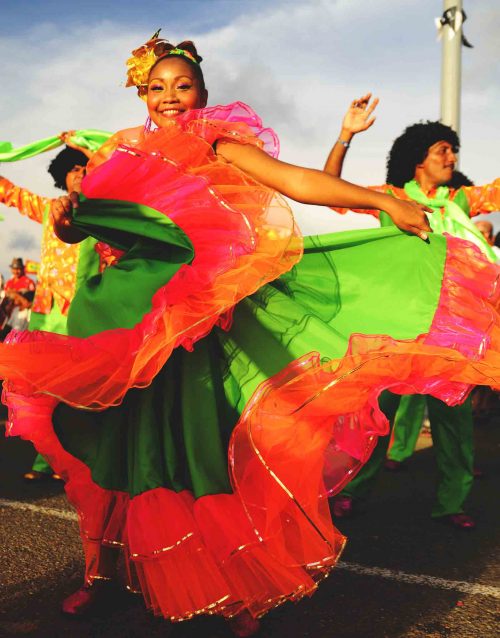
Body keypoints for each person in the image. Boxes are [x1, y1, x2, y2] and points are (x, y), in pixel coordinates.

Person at [1, 36, 499, 636]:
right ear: (141, 94)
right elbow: (95, 227)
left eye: (182, 85)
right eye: (157, 87)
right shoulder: (117, 152)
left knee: (207, 455)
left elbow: (295, 181)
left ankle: (241, 588)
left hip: (201, 327)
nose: (169, 97)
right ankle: (100, 575)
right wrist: (66, 218)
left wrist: (377, 200)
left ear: (202, 94)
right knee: (118, 455)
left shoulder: (214, 141)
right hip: (127, 328)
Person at [325, 103, 500, 529]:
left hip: (452, 324)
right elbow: (329, 188)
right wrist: (346, 134)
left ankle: (452, 500)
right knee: (377, 410)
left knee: (453, 416)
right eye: (444, 150)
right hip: (399, 320)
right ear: (419, 156)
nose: (452, 159)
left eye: (453, 151)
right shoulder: (390, 198)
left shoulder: (459, 199)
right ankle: (350, 491)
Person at [0, 147, 102, 481]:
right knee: (39, 391)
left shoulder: (107, 214)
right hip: (47, 312)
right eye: (74, 169)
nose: (81, 174)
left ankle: (79, 464)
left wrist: (92, 152)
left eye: (87, 168)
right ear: (63, 175)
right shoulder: (46, 209)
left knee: (81, 392)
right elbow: (11, 194)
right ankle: (46, 463)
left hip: (86, 314)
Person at [0, 258, 36, 339]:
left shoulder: (29, 282)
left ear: (22, 269)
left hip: (22, 315)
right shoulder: (9, 283)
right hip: (7, 316)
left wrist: (16, 296)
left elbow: (31, 302)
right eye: (14, 269)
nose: (16, 271)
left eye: (18, 269)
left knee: (18, 338)